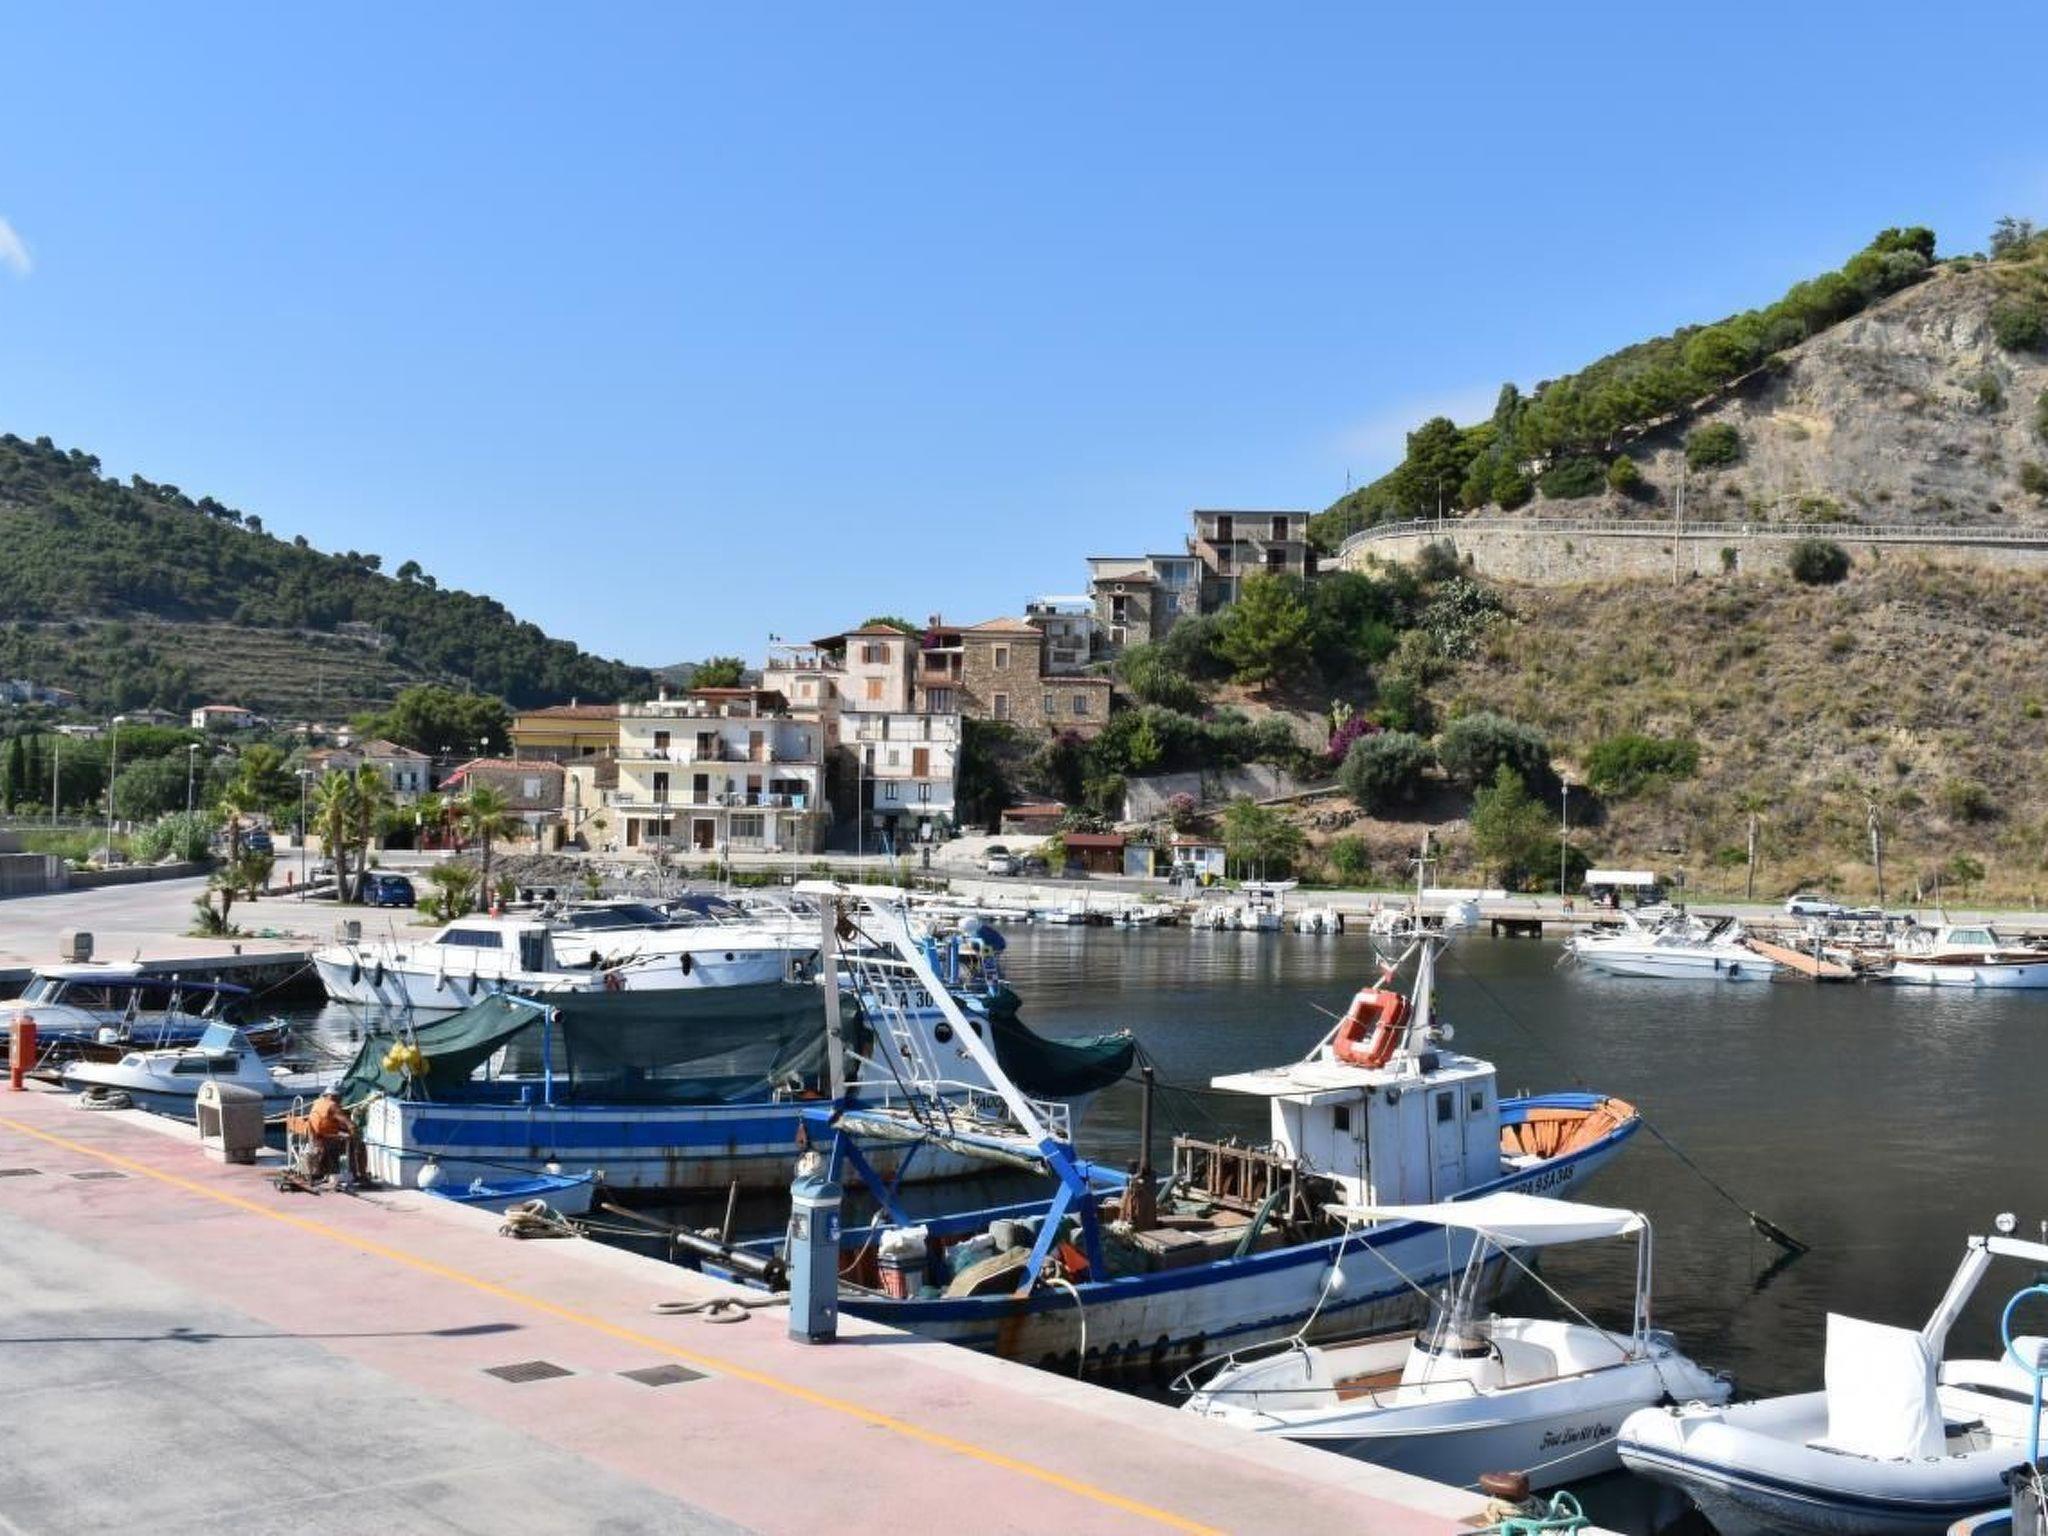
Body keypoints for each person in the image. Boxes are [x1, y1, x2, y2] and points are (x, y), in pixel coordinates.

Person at [305, 1089, 368, 1185]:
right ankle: (359, 1175)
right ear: (332, 1096)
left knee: (350, 1141)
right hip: (328, 1141)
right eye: (339, 1097)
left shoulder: (318, 1102)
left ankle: (352, 1173)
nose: (341, 1100)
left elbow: (325, 1121)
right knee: (359, 1145)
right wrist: (354, 1135)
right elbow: (350, 1124)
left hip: (316, 1139)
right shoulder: (332, 1106)